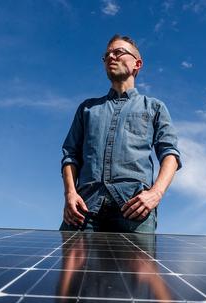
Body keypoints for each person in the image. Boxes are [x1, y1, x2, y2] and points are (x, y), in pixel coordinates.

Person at [59, 34, 181, 233]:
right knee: (70, 265)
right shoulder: (87, 108)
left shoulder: (154, 107)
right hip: (83, 209)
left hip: (134, 209)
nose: (110, 57)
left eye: (118, 52)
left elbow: (170, 154)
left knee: (141, 265)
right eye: (106, 55)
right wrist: (70, 194)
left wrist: (155, 193)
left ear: (137, 64)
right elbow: (70, 155)